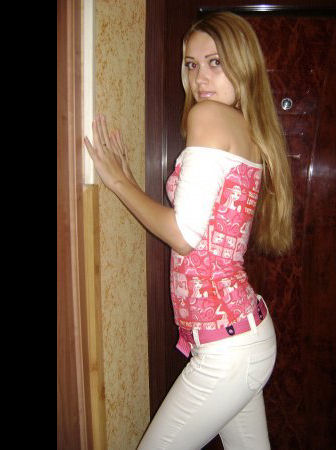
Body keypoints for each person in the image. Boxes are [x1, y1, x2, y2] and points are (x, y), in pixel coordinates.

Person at [84, 11, 293, 450]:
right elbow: (200, 228)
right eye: (192, 64)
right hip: (243, 337)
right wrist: (128, 179)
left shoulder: (208, 116)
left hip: (227, 351)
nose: (200, 78)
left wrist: (119, 181)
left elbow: (183, 235)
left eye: (215, 62)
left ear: (243, 63)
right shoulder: (244, 126)